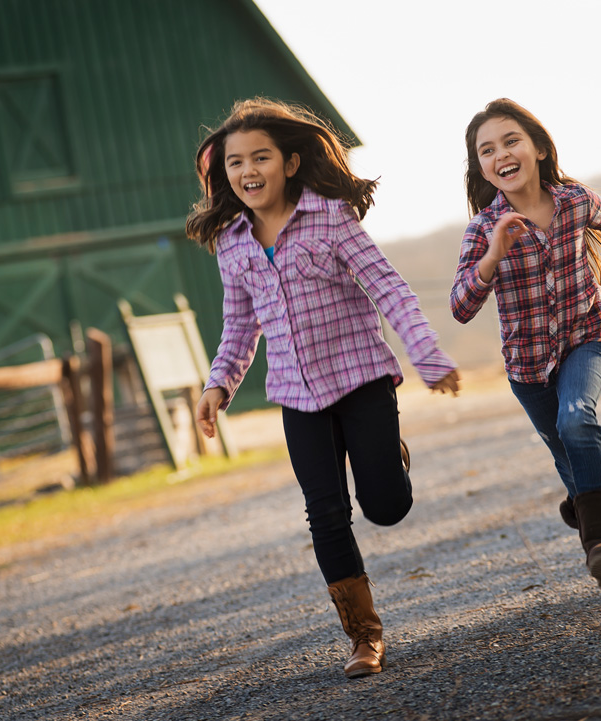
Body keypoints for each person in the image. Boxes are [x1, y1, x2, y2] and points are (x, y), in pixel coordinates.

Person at [186, 98, 460, 678]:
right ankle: (364, 637)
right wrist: (218, 386)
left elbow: (390, 289)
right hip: (296, 396)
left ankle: (390, 459)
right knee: (325, 514)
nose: (247, 170)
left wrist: (428, 356)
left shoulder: (331, 216)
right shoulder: (232, 243)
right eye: (235, 162)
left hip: (361, 379)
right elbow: (239, 327)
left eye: (260, 157)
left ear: (288, 163)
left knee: (386, 507)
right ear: (225, 175)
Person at [450, 99, 601, 591]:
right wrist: (493, 254)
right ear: (482, 168)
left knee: (576, 418)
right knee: (565, 452)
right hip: (528, 366)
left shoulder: (574, 201)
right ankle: (594, 517)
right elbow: (461, 305)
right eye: (486, 150)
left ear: (537, 148)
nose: (501, 154)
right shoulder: (482, 230)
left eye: (511, 141)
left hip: (588, 335)